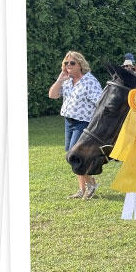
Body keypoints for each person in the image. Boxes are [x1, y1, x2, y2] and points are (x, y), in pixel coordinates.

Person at [48, 51, 103, 199]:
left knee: (75, 156)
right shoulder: (66, 80)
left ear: (80, 64)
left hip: (83, 123)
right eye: (66, 63)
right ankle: (82, 189)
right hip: (69, 122)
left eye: (72, 63)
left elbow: (100, 103)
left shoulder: (89, 81)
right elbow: (52, 95)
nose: (68, 65)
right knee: (72, 156)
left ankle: (91, 183)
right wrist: (60, 79)